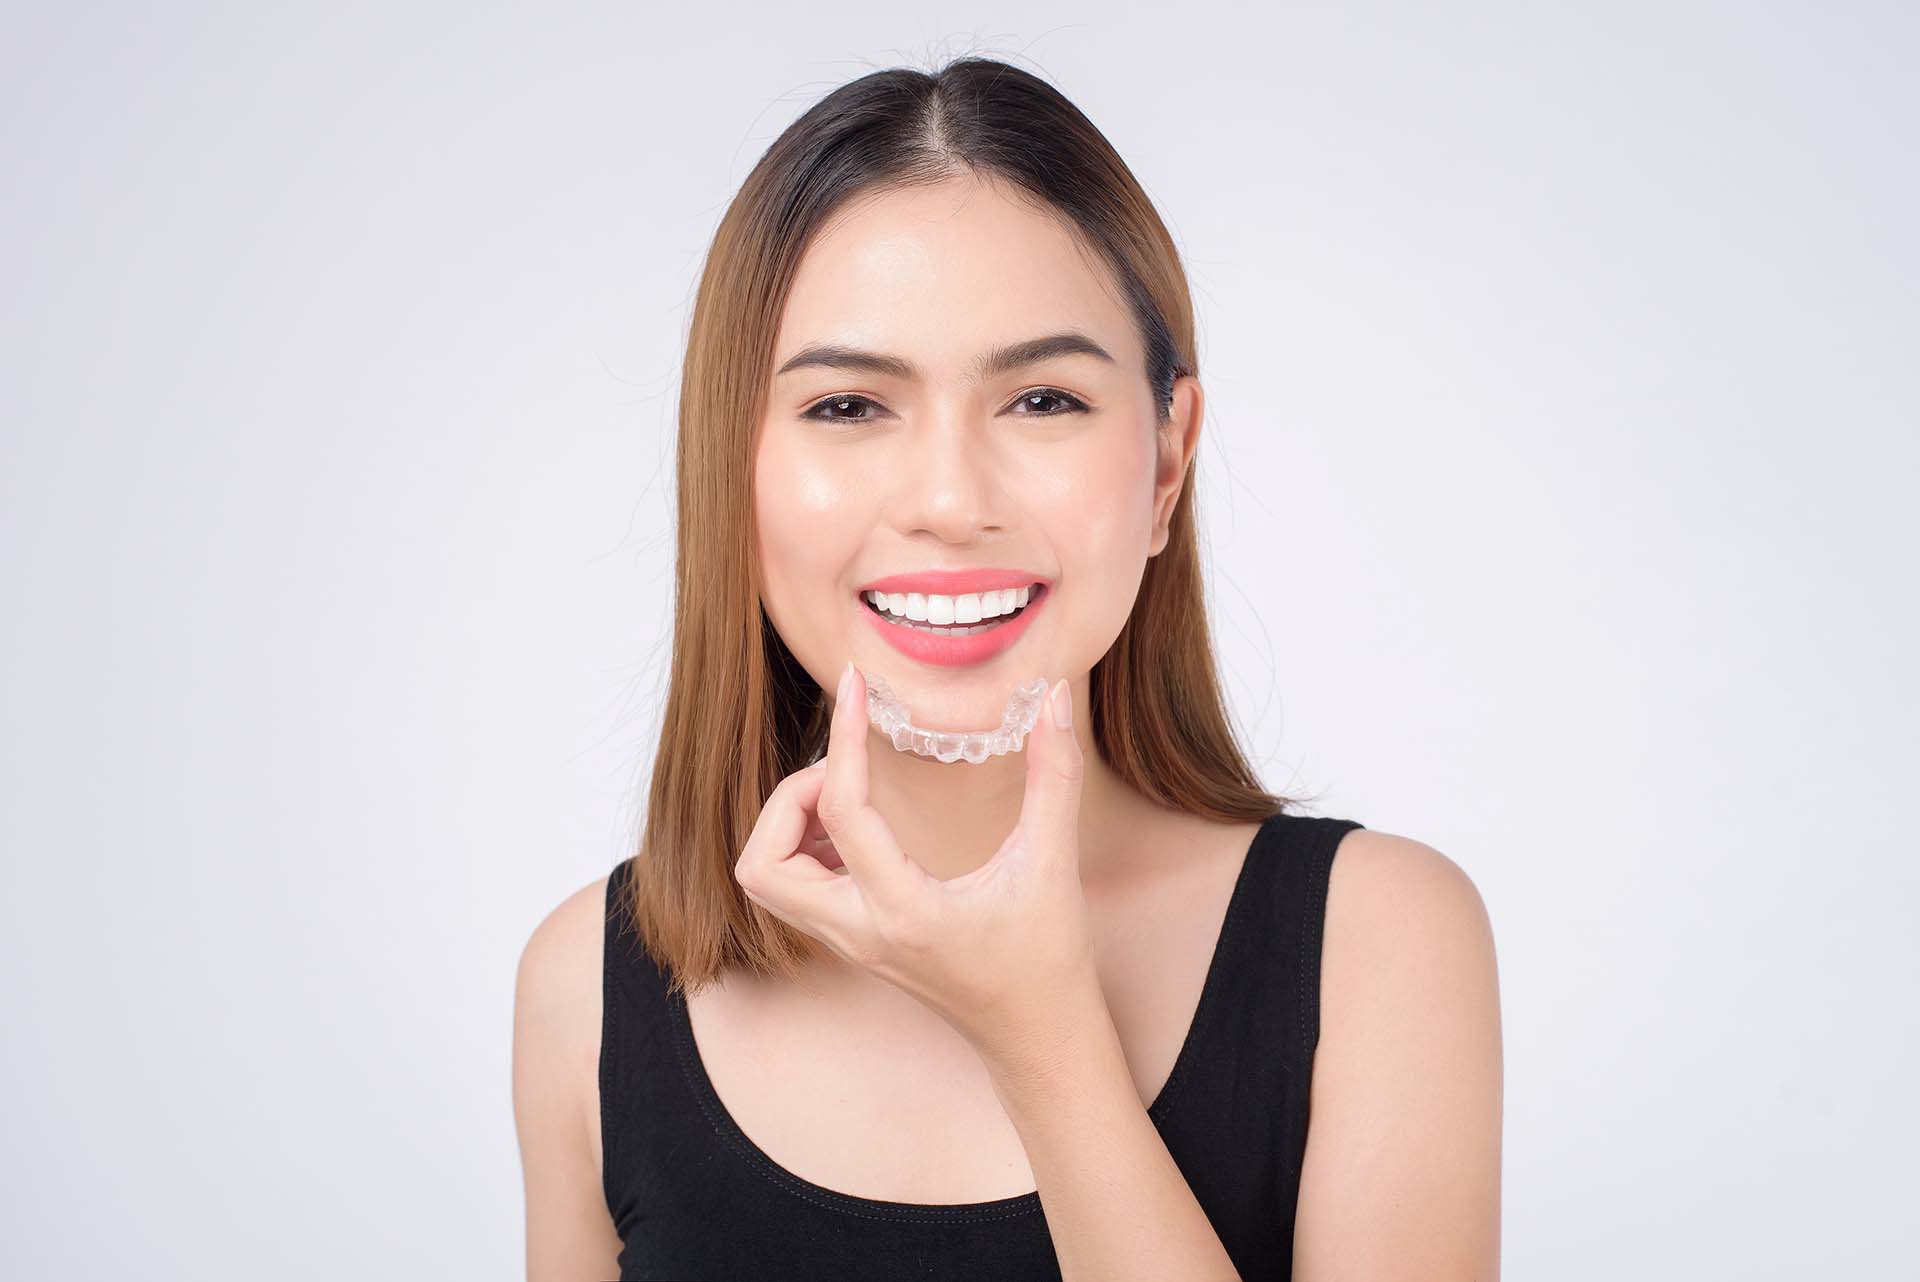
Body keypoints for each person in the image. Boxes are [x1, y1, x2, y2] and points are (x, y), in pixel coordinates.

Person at [512, 56, 1502, 1282]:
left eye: (1041, 399)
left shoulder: (1378, 942)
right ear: (733, 464)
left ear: (1166, 463)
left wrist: (1044, 1039)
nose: (947, 501)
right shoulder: (587, 988)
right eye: (847, 408)